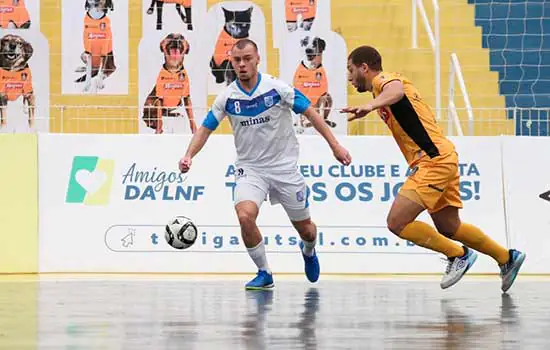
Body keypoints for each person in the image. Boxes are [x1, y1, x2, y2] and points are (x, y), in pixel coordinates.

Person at [342, 45, 525, 292]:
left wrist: (372, 105)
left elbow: (395, 91)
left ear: (365, 67)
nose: (350, 77)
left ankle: (457, 255)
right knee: (449, 226)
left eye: (351, 70)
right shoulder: (382, 90)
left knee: (397, 222)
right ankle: (506, 258)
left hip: (433, 161)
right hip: (443, 156)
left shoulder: (385, 81)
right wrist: (372, 106)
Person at [179, 38, 352, 290]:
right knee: (245, 216)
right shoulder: (226, 98)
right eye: (237, 60)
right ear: (231, 62)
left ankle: (308, 250)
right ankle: (264, 272)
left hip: (284, 168)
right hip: (250, 170)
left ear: (257, 59)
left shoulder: (278, 89)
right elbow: (205, 129)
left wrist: (335, 145)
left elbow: (311, 113)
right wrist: (188, 155)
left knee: (307, 230)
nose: (242, 64)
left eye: (247, 59)